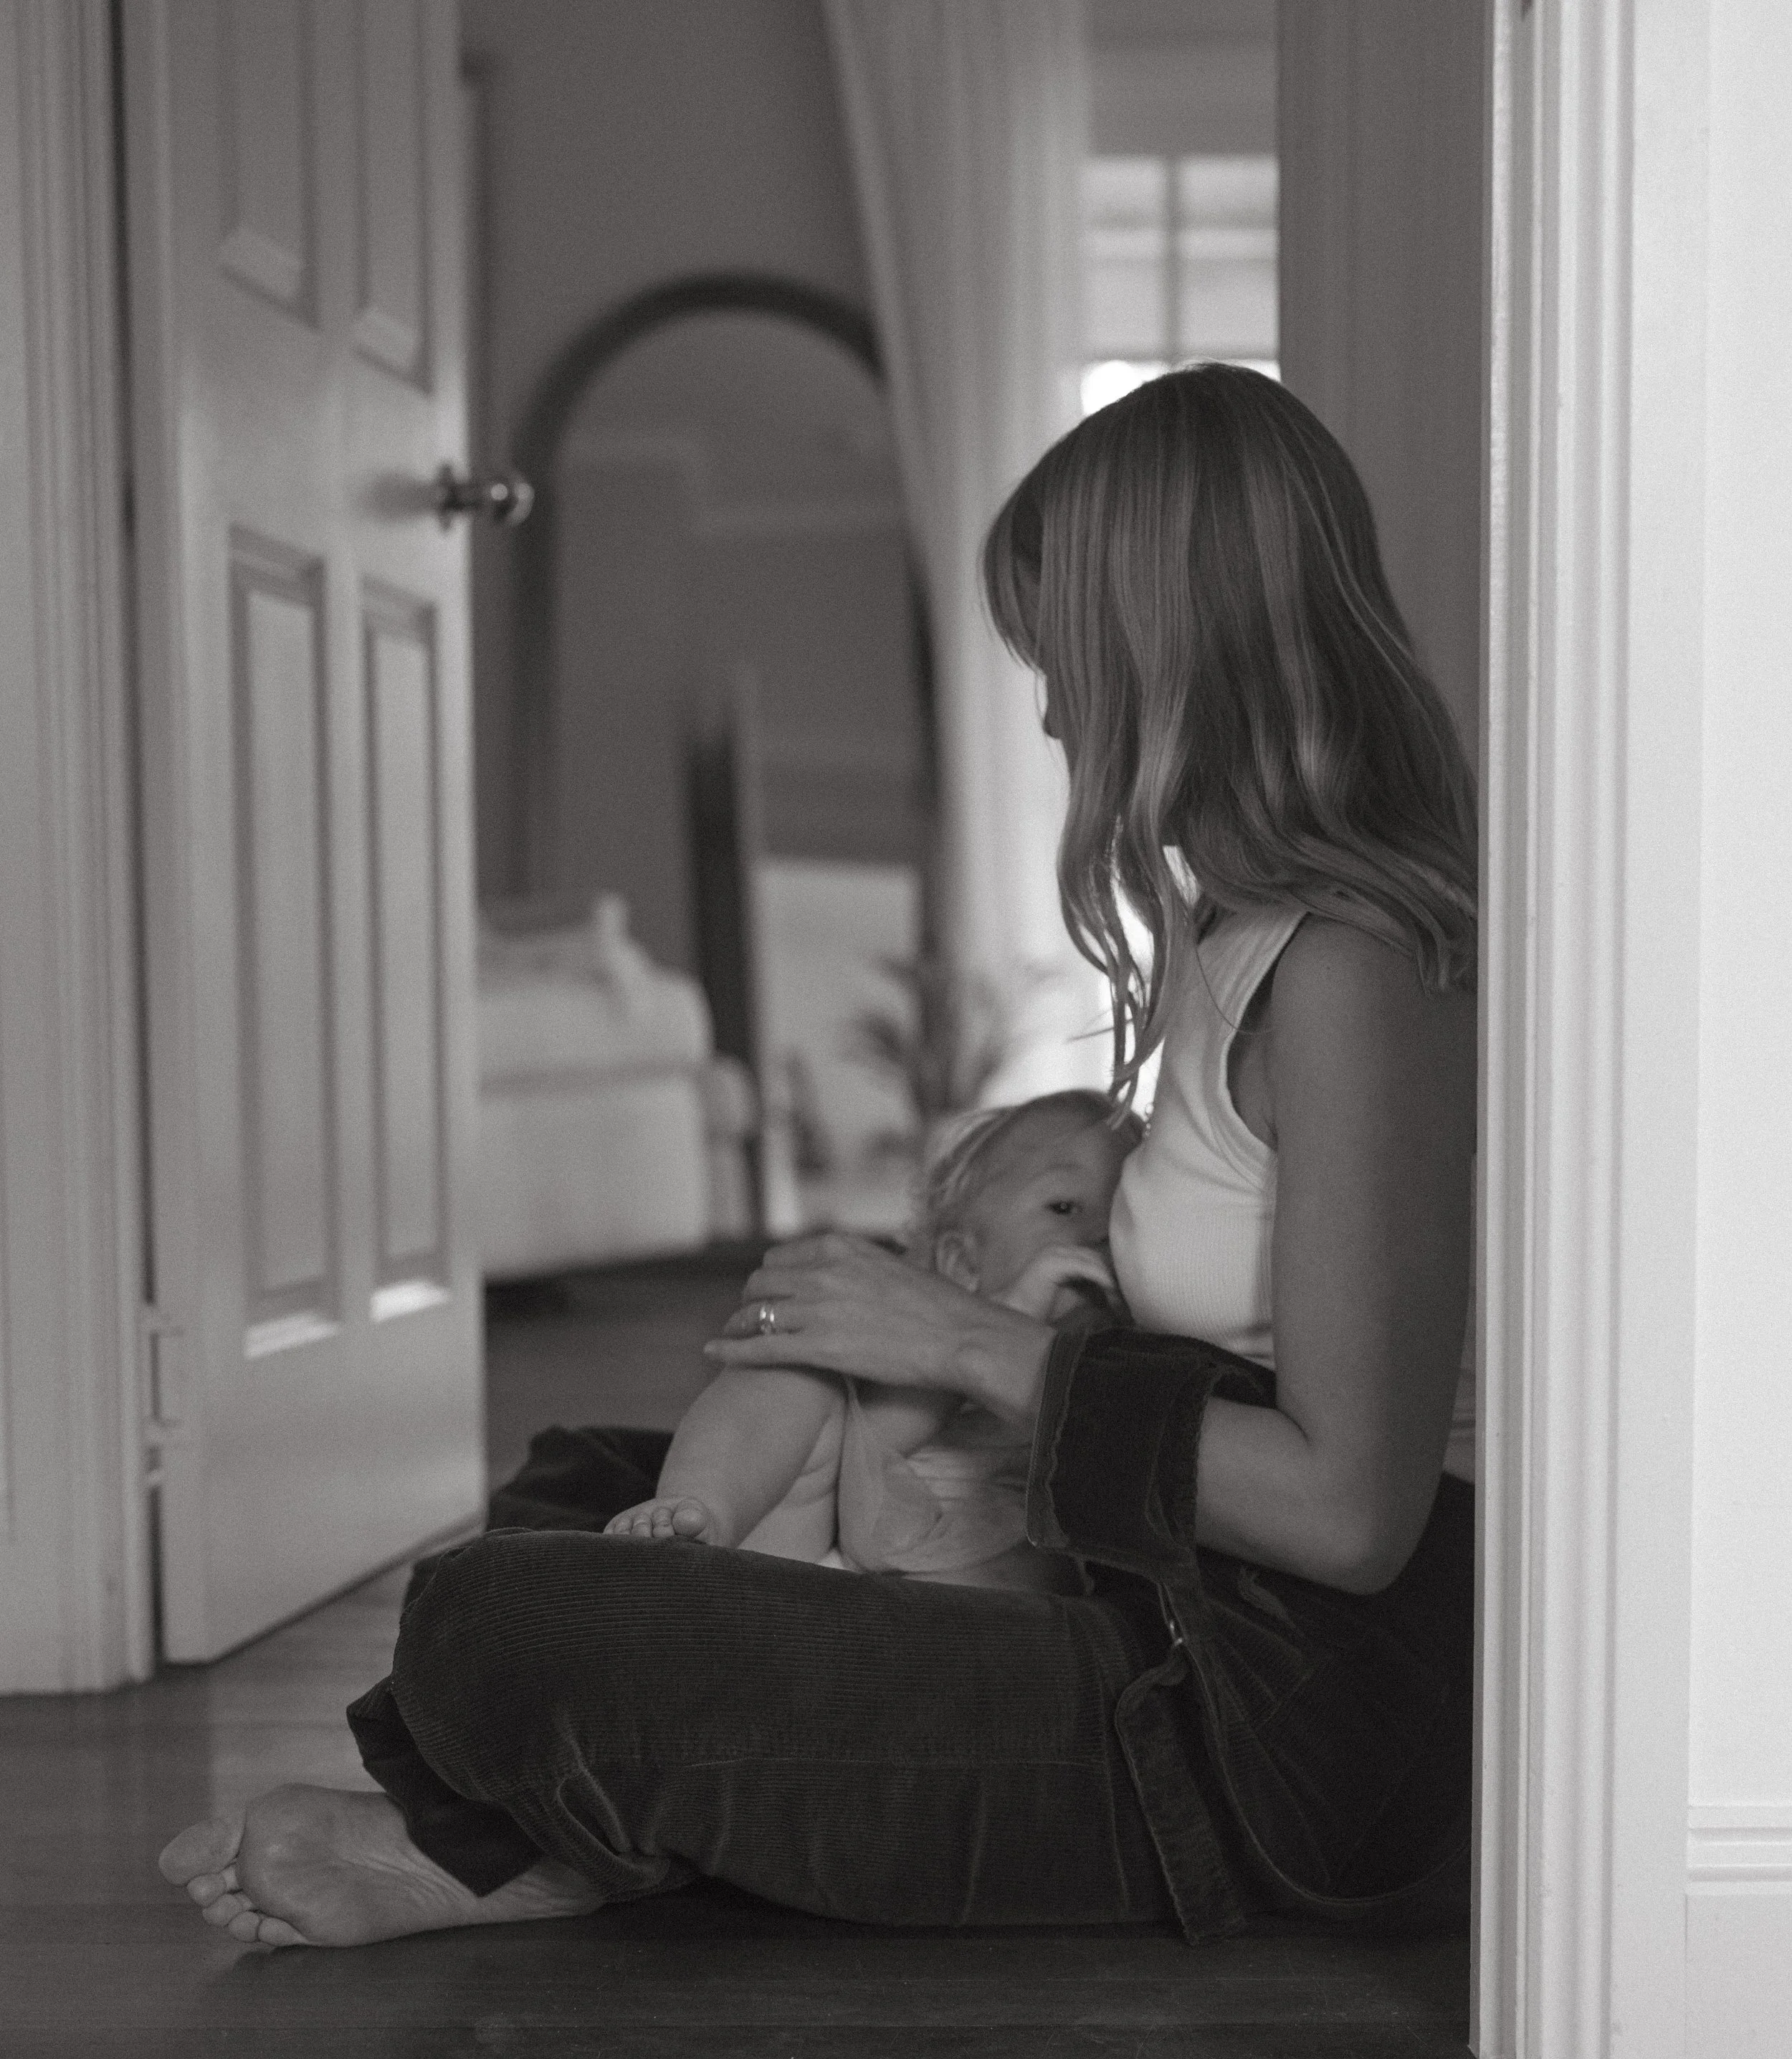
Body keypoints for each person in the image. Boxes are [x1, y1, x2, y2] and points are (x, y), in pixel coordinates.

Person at [161, 362, 1479, 1954]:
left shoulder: (1352, 973)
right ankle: (554, 1832)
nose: (1053, 709)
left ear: (1161, 643)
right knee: (597, 1477)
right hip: (1130, 1593)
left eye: (1058, 656)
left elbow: (1352, 1519)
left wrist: (955, 1343)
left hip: (1250, 1732)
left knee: (497, 1619)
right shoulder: (1231, 935)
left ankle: (503, 1846)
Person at [601, 1090, 1140, 1591]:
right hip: (830, 1578)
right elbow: (869, 1508)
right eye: (1065, 1208)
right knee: (787, 1372)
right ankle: (697, 1518)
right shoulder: (911, 1378)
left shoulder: (1131, 1367)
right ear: (962, 1264)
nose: (1099, 1236)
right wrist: (1011, 1320)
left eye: (1124, 1215)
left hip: (1007, 1626)